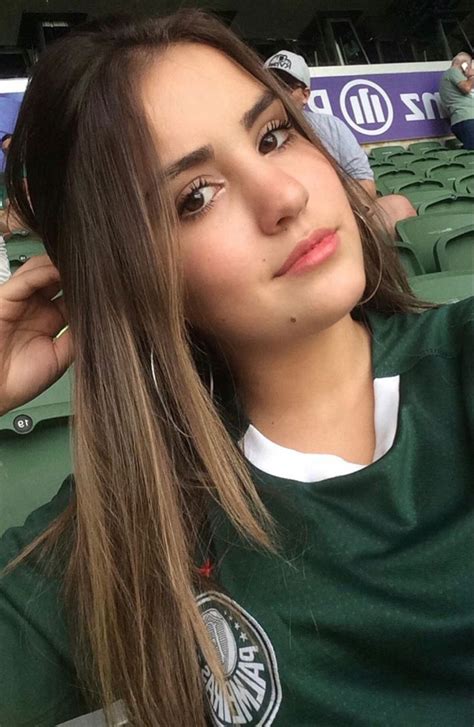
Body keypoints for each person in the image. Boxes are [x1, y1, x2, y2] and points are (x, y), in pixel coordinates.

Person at [0, 11, 472, 727]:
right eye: (195, 196)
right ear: (135, 276)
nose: (284, 196)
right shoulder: (134, 518)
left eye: (273, 136)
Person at [265, 50, 417, 234]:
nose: (277, 91)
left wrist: (337, 212)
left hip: (338, 210)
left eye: (286, 85)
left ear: (305, 95)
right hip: (283, 224)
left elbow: (363, 180)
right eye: (269, 84)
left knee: (398, 206)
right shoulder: (249, 136)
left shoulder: (330, 126)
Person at [439, 52, 474, 149]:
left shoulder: (454, 77)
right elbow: (466, 88)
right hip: (466, 118)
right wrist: (471, 76)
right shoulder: (453, 72)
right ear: (465, 64)